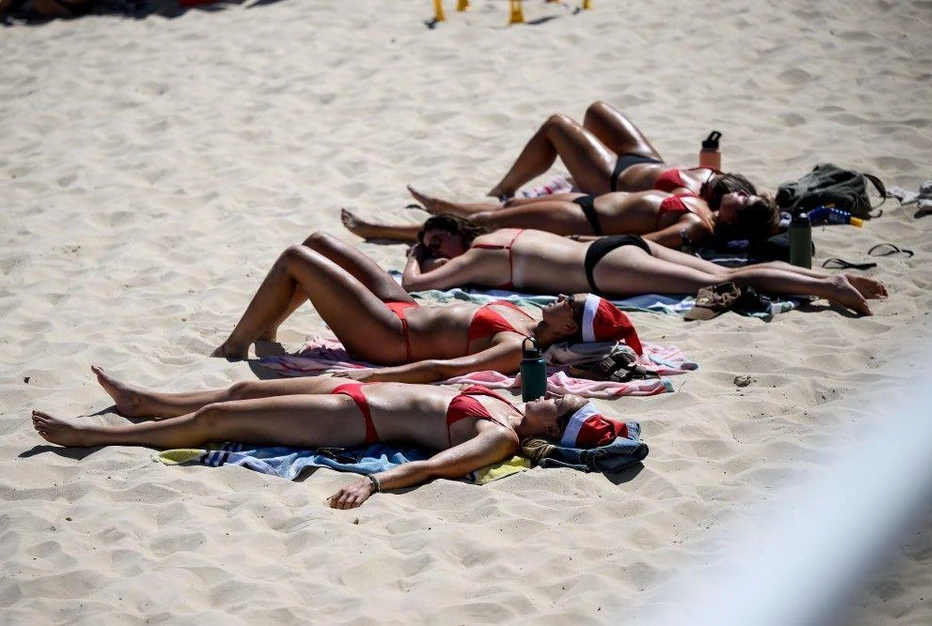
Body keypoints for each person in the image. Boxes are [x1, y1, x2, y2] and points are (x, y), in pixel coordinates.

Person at [31, 366, 631, 509]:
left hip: (352, 422)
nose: (552, 392)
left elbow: (430, 468)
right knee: (239, 394)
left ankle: (95, 435)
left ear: (553, 427)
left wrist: (371, 483)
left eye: (560, 402)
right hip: (356, 388)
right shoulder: (512, 401)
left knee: (218, 423)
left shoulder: (498, 435)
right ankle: (144, 403)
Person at [209, 231, 641, 382]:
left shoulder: (518, 348)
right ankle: (265, 332)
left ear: (569, 328)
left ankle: (234, 346)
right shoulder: (530, 318)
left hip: (390, 338)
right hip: (404, 308)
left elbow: (443, 370)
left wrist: (379, 377)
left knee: (296, 259)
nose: (564, 297)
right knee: (318, 243)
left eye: (572, 303)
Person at [399, 215, 888, 316]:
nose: (434, 248)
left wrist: (414, 255)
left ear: (456, 231)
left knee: (726, 277)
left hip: (602, 268)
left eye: (435, 238)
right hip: (616, 246)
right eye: (428, 243)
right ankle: (822, 278)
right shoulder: (503, 236)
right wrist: (425, 245)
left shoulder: (476, 256)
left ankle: (830, 286)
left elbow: (416, 285)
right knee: (719, 274)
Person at [342, 181, 779, 252]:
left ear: (738, 219)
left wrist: (583, 246)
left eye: (745, 201)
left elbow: (647, 244)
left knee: (493, 222)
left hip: (585, 222)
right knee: (506, 209)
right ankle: (446, 208)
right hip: (587, 204)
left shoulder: (697, 224)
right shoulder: (706, 203)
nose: (738, 194)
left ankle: (382, 230)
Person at [484, 101, 765, 204]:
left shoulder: (694, 202)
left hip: (611, 180)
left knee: (556, 126)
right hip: (644, 161)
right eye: (742, 193)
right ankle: (581, 166)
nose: (740, 196)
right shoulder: (717, 179)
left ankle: (502, 190)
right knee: (597, 111)